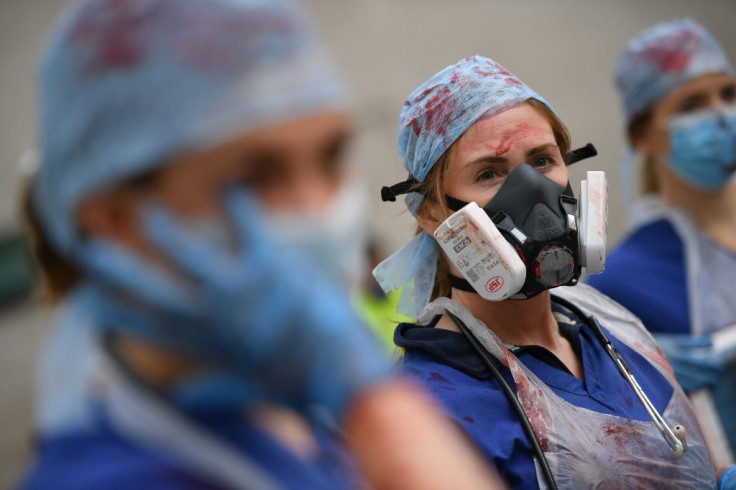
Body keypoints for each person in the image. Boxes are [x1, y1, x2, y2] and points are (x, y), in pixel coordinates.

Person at [20, 1, 501, 488]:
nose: (321, 212)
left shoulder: (286, 413)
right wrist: (369, 398)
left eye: (331, 156)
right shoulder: (109, 478)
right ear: (116, 220)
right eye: (252, 179)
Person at [374, 54, 726, 488]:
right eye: (489, 173)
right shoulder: (432, 407)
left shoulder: (611, 324)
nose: (535, 193)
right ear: (431, 213)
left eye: (542, 161)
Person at [587, 18, 736, 472]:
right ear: (642, 135)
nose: (720, 115)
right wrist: (633, 372)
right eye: (692, 103)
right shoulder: (624, 283)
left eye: (728, 95)